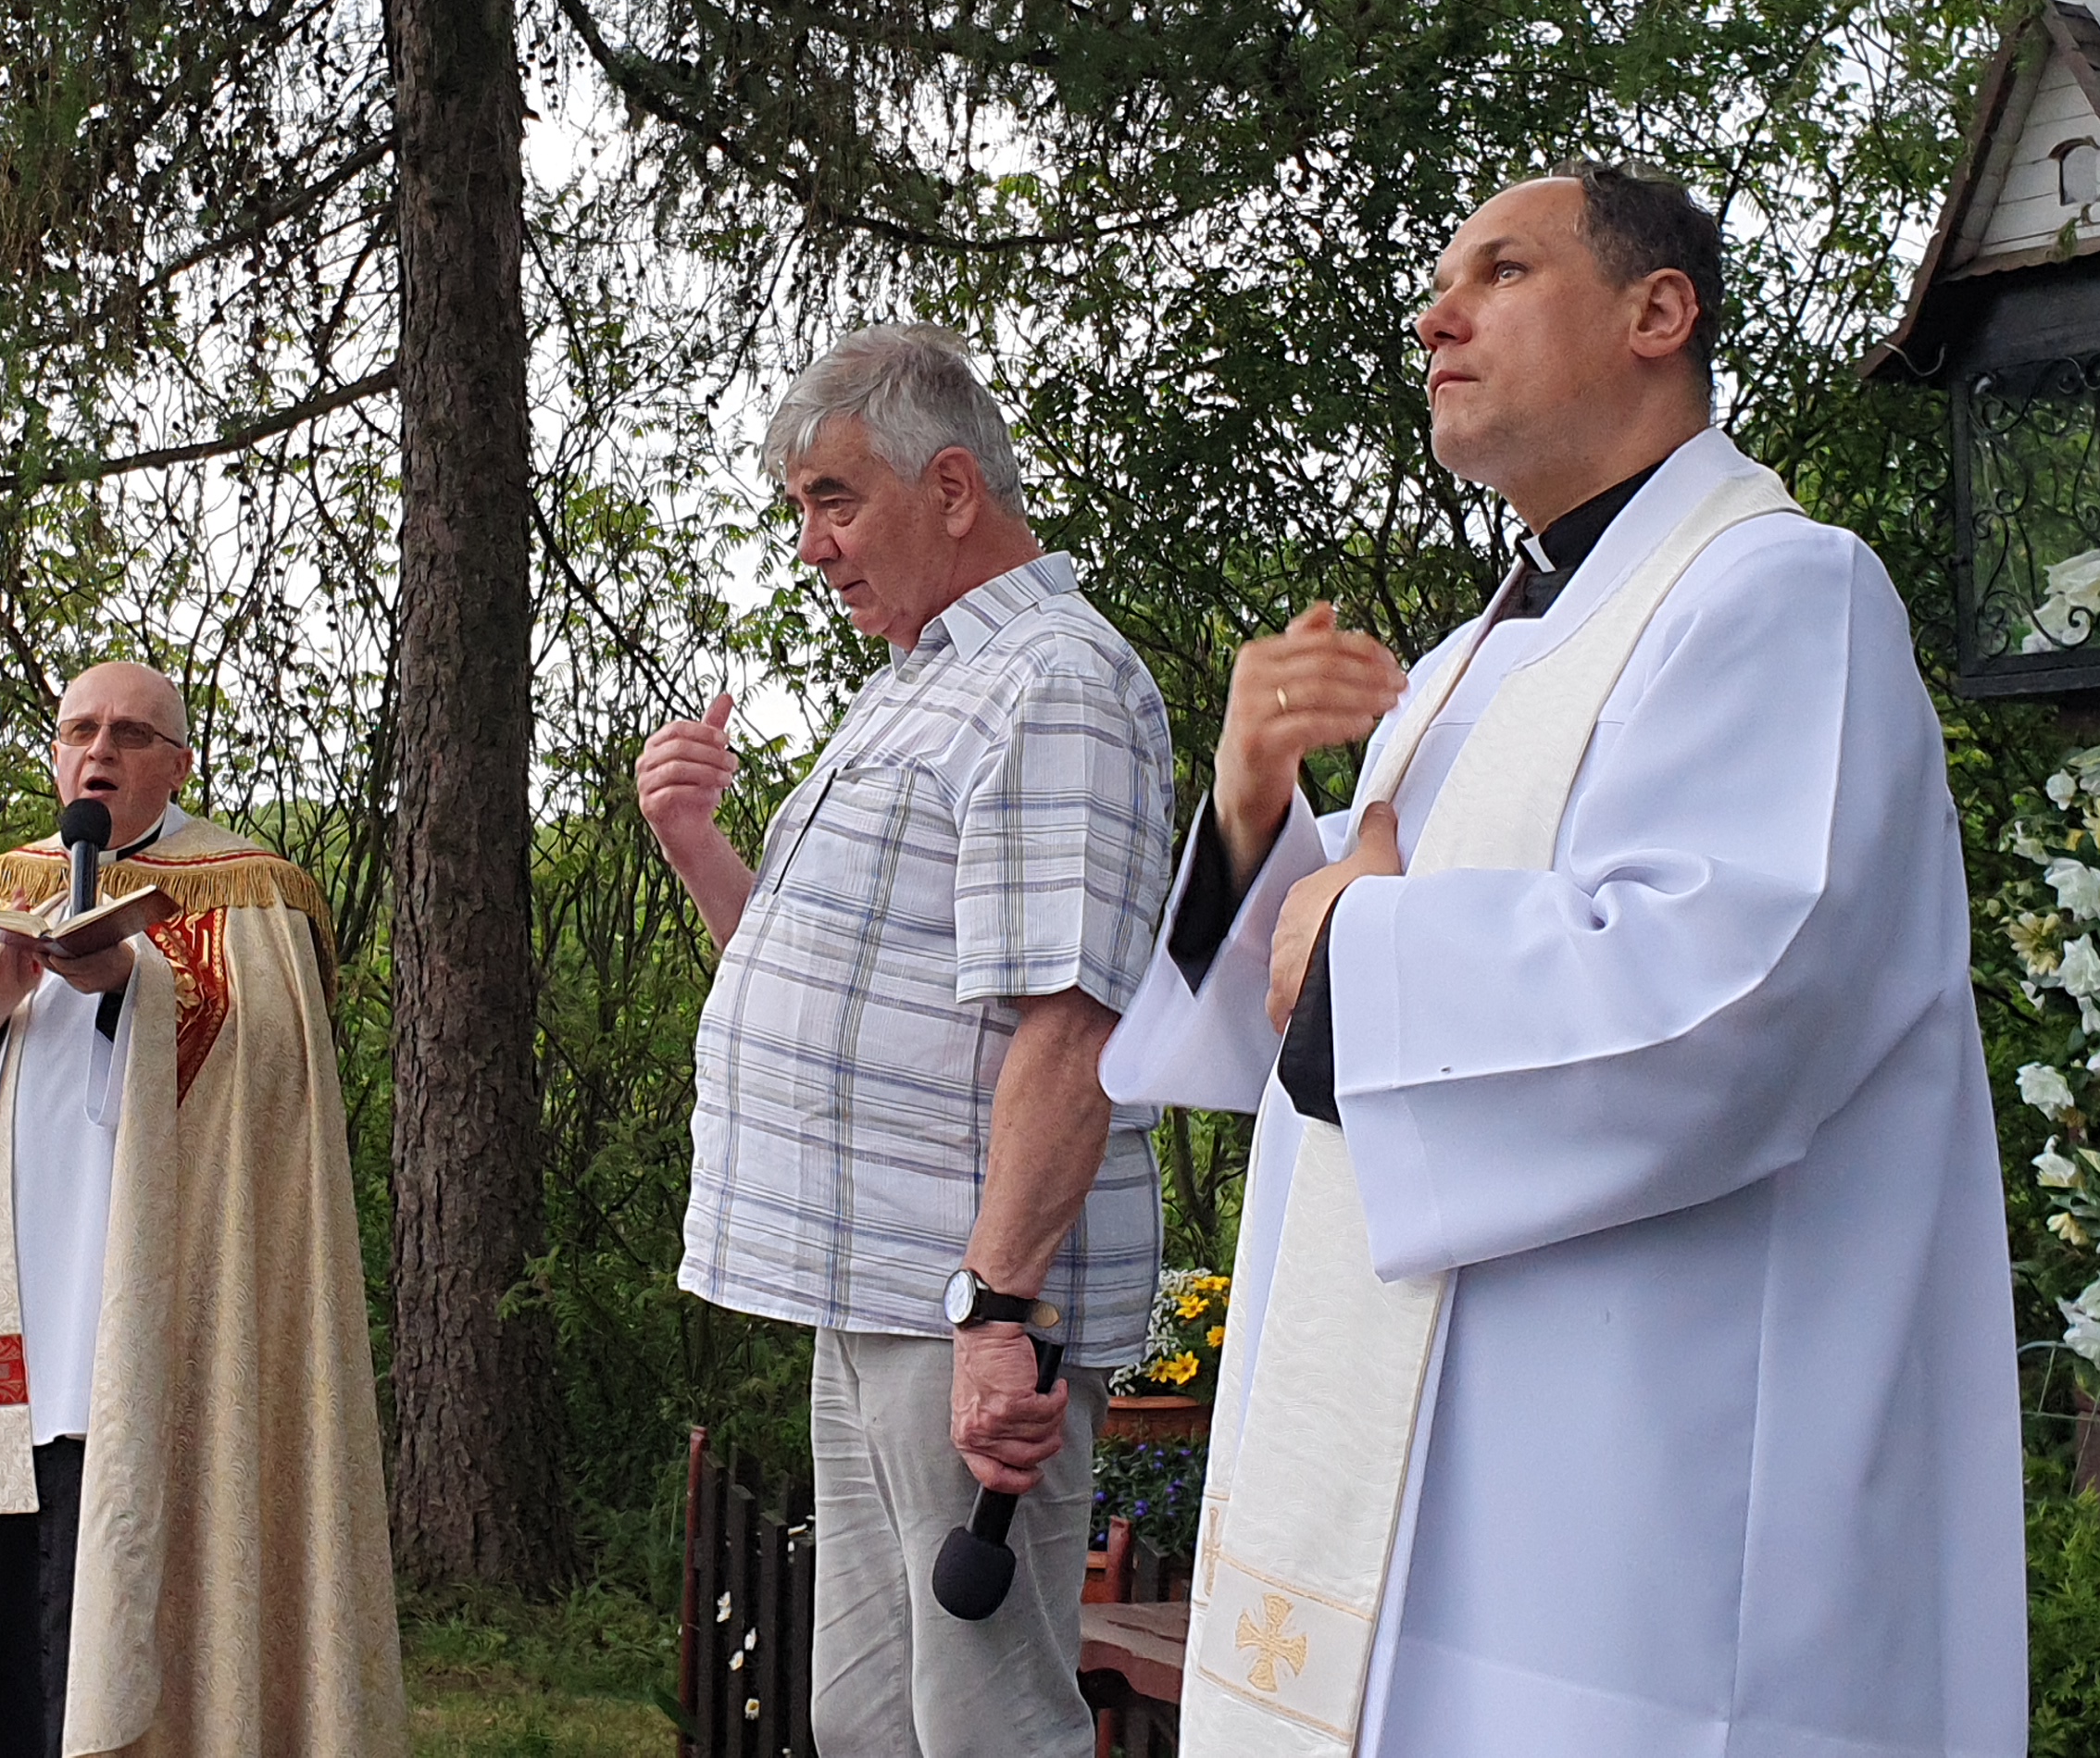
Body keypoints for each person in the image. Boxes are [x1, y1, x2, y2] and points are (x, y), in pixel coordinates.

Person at [1098, 163, 2025, 1753]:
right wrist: (1252, 812)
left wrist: (1349, 948)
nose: (1436, 317)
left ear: (1657, 312)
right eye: (1440, 285)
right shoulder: (1472, 663)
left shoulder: (1782, 592)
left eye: (1502, 271)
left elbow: (1721, 992)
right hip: (1417, 1488)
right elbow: (1288, 1021)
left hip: (1634, 1515)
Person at [633, 326, 1177, 1756]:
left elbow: (1074, 1026)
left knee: (986, 1725)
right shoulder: (921, 680)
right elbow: (828, 992)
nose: (812, 544)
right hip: (876, 1285)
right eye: (800, 507)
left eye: (836, 499)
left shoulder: (1054, 680)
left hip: (966, 1296)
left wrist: (1000, 1314)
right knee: (867, 1719)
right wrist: (696, 847)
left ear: (950, 488)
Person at [0, 662, 406, 1757]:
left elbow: (268, 1090)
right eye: (80, 730)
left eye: (132, 734)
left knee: (99, 1559)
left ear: (179, 764)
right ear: (57, 753)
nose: (100, 751)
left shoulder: (251, 894)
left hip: (152, 1304)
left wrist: (128, 993)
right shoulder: (6, 884)